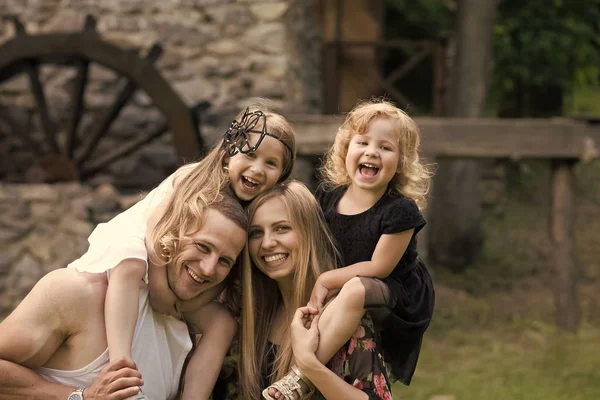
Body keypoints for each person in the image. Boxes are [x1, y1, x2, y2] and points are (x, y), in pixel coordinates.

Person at [66, 104, 296, 399]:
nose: (257, 169)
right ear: (228, 153)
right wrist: (163, 294)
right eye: (250, 155)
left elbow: (221, 274)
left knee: (222, 323)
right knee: (130, 261)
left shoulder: (252, 212)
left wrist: (185, 302)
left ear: (280, 175)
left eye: (271, 164)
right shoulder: (192, 179)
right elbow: (156, 238)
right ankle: (120, 365)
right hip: (150, 254)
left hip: (182, 280)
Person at [0, 191, 248, 400]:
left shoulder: (192, 328)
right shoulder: (77, 293)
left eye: (224, 261)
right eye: (203, 247)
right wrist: (80, 396)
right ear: (173, 233)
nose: (208, 268)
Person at [264, 99, 435, 399]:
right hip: (346, 284)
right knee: (335, 302)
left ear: (401, 162)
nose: (372, 152)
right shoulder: (330, 198)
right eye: (363, 142)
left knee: (355, 289)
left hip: (392, 289)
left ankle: (301, 375)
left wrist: (326, 280)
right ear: (345, 150)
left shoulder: (400, 211)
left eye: (386, 147)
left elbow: (379, 268)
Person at [238, 181, 393, 400]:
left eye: (282, 228)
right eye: (255, 233)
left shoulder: (342, 313)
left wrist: (309, 365)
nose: (267, 243)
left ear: (309, 232)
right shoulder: (253, 316)